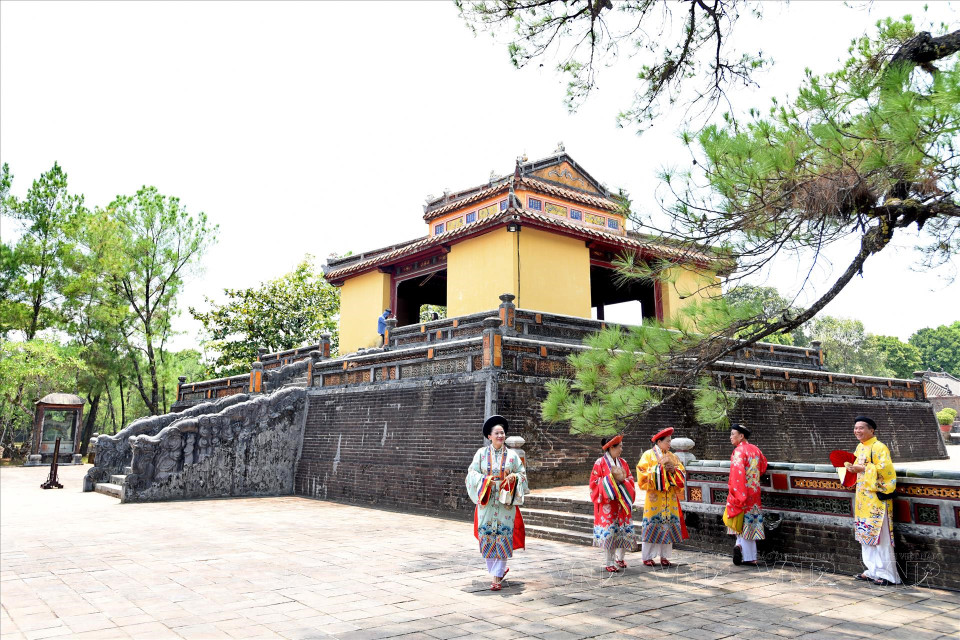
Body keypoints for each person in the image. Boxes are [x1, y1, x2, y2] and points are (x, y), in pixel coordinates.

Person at [465, 415, 528, 591]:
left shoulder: (513, 456)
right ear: (489, 436)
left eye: (502, 433)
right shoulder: (481, 454)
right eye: (497, 433)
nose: (500, 436)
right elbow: (472, 474)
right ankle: (496, 571)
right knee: (487, 536)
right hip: (487, 501)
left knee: (503, 534)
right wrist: (485, 481)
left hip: (504, 503)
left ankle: (496, 578)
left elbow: (522, 475)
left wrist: (513, 477)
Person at [846, 416, 901, 586]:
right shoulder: (860, 447)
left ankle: (889, 575)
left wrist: (862, 468)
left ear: (871, 430)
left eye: (861, 428)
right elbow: (858, 471)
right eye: (856, 428)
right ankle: (872, 571)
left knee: (881, 537)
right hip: (863, 500)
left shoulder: (879, 447)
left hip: (877, 500)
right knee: (865, 536)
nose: (857, 431)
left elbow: (886, 470)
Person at [635, 427, 688, 567]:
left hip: (669, 498)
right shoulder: (648, 455)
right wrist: (659, 469)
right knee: (652, 525)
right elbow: (642, 474)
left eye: (670, 441)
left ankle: (665, 556)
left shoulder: (672, 456)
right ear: (659, 441)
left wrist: (673, 470)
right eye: (667, 441)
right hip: (655, 498)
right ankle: (647, 556)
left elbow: (682, 473)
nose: (669, 444)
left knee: (667, 526)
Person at [589, 434, 637, 572]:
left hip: (622, 502)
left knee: (623, 530)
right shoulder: (600, 463)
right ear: (611, 447)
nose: (622, 449)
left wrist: (623, 481)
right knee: (610, 532)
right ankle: (609, 561)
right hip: (608, 504)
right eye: (620, 446)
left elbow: (630, 479)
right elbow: (594, 483)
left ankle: (620, 558)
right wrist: (610, 480)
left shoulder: (624, 463)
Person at [723, 423, 767, 566]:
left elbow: (737, 475)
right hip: (754, 492)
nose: (730, 437)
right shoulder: (756, 449)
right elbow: (763, 466)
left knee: (740, 520)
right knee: (750, 522)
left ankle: (746, 554)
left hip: (742, 491)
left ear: (741, 436)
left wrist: (738, 494)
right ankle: (742, 548)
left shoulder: (738, 452)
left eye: (732, 434)